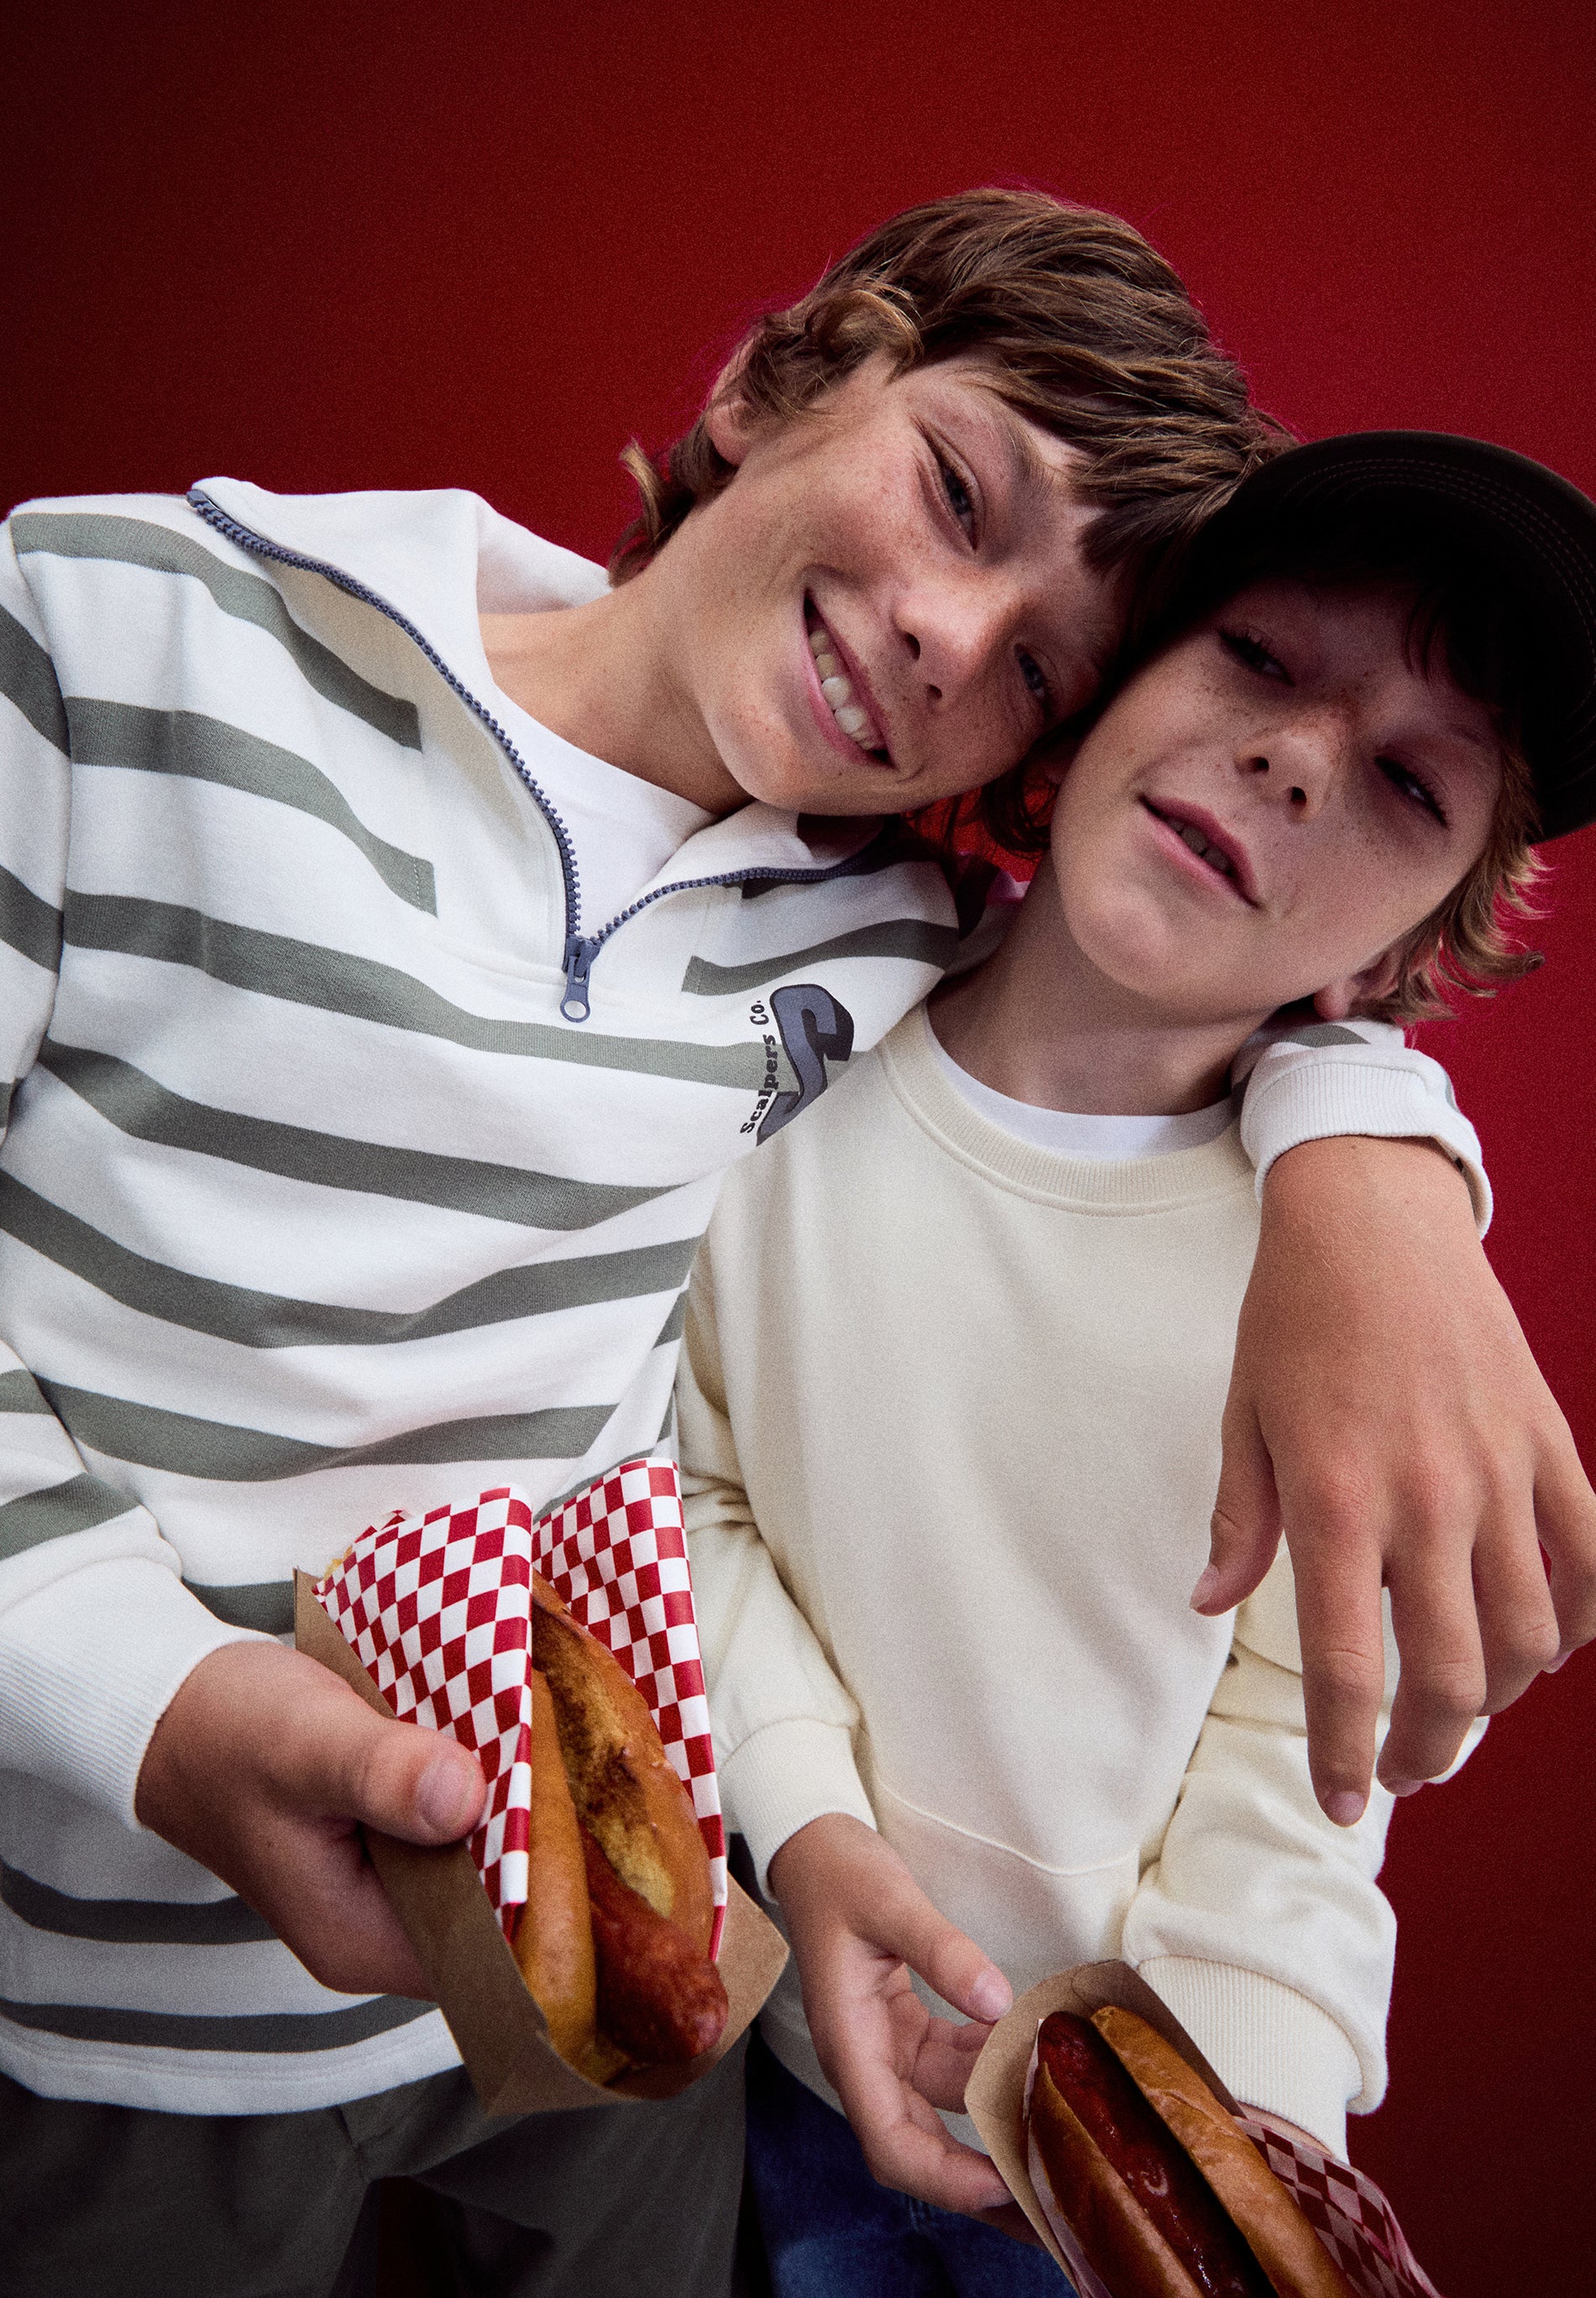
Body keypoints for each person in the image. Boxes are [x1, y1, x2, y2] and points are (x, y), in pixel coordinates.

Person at [0, 188, 1588, 2298]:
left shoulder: (842, 935)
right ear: (774, 376)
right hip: (126, 2000)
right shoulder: (113, 629)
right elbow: (720, 1465)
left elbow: (1170, 1046)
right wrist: (154, 1699)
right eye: (950, 494)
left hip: (654, 1999)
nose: (947, 637)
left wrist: (1371, 1153)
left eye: (1035, 661)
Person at [674, 430, 1596, 2295]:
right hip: (752, 2034)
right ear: (1105, 686)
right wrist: (811, 1827)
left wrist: (1224, 2145)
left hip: (1120, 2150)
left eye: (1409, 785)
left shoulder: (1348, 1305)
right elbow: (690, 1487)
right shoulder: (782, 1064)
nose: (1295, 755)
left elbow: (1301, 1765)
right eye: (1257, 660)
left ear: (1414, 945)